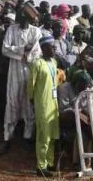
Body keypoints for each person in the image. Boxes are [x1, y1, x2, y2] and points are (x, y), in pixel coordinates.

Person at [0, 3, 42, 155]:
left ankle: (28, 137)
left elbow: (37, 51)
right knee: (12, 102)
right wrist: (22, 50)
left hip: (30, 71)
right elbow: (5, 48)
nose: (20, 19)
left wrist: (25, 52)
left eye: (23, 17)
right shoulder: (12, 29)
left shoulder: (36, 31)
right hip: (15, 71)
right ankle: (7, 138)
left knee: (29, 104)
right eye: (20, 16)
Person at [27, 36, 60, 177]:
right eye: (52, 47)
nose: (55, 49)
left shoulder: (53, 62)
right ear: (44, 48)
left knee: (52, 135)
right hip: (42, 104)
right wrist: (32, 100)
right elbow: (30, 85)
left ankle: (50, 163)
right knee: (43, 136)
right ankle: (41, 166)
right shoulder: (37, 64)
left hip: (54, 104)